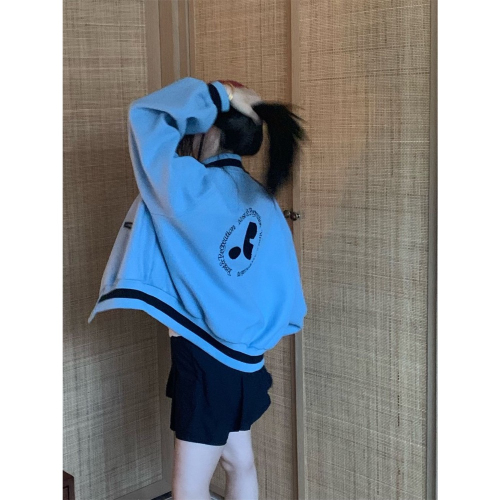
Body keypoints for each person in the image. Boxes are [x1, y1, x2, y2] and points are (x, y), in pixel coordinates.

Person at [88, 77, 307, 500]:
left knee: (188, 489)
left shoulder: (188, 184)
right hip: (246, 359)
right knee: (239, 462)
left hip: (206, 357)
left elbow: (147, 117)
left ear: (208, 127)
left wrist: (219, 94)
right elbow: (283, 288)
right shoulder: (261, 199)